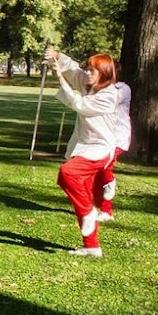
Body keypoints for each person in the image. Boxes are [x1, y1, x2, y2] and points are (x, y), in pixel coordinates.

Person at [45, 47, 118, 258]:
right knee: (80, 190)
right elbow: (72, 70)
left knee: (67, 174)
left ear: (103, 74)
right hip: (84, 146)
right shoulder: (89, 84)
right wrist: (56, 56)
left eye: (92, 71)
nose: (87, 73)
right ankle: (91, 245)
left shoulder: (108, 95)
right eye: (87, 69)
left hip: (100, 149)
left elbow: (78, 104)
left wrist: (59, 76)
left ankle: (89, 211)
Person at [95, 62, 131, 222]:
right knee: (96, 171)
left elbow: (109, 100)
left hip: (117, 137)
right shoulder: (101, 89)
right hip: (103, 136)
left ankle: (110, 183)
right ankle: (102, 208)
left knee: (104, 167)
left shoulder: (122, 89)